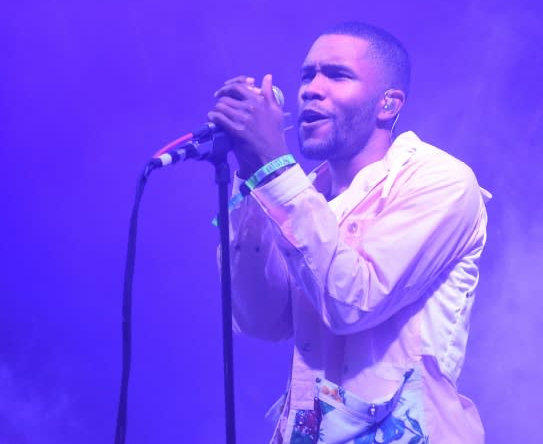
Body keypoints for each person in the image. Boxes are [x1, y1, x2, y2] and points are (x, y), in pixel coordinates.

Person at [208, 22, 490, 444]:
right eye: (307, 75)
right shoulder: (306, 195)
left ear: (388, 104)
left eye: (336, 75)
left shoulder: (440, 180)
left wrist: (276, 170)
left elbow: (353, 299)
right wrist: (251, 174)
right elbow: (261, 319)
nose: (311, 89)